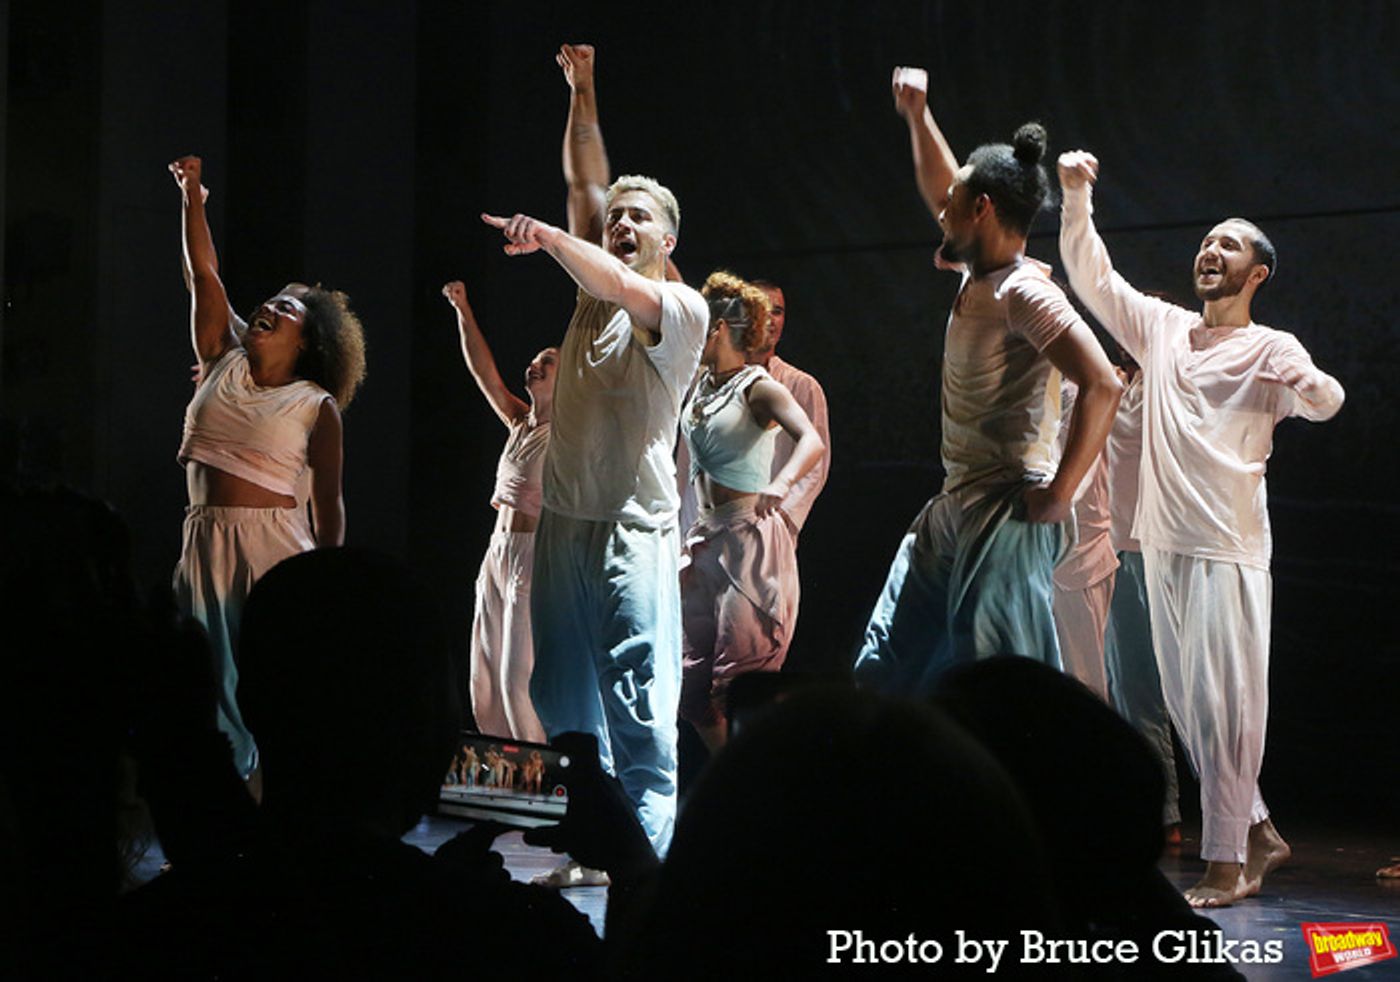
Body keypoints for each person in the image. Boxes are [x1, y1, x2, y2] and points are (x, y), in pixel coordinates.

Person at [1058, 149, 1345, 906]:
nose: (1210, 251)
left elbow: (1327, 401)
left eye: (1230, 245)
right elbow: (1093, 278)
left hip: (1227, 545)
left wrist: (1310, 386)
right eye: (1207, 241)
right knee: (1189, 706)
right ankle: (1258, 830)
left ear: (1258, 273)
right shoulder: (1163, 329)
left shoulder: (1270, 346)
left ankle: (1226, 861)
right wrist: (1077, 197)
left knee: (1227, 703)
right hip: (1161, 544)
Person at [480, 47, 709, 864]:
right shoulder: (591, 289)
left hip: (632, 531)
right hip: (567, 528)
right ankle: (591, 856)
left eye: (638, 217)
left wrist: (547, 235)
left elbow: (618, 280)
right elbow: (586, 184)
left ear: (668, 237)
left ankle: (645, 874)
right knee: (566, 709)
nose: (620, 224)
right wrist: (582, 90)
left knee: (640, 712)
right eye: (616, 220)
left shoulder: (680, 307)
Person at [852, 68, 1121, 694]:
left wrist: (1059, 495)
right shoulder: (980, 273)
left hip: (1005, 509)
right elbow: (942, 185)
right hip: (957, 504)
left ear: (983, 209)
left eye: (954, 203)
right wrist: (918, 116)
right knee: (884, 671)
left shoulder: (1024, 291)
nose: (940, 210)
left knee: (997, 689)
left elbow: (1103, 384)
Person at [168, 155, 365, 781]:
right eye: (270, 301)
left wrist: (329, 582)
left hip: (270, 547)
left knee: (269, 688)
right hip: (203, 539)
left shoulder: (315, 404)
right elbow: (204, 273)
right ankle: (220, 817)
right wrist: (192, 195)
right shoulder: (219, 357)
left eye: (288, 310)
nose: (271, 308)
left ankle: (277, 812)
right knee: (202, 692)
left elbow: (329, 504)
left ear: (306, 342)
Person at [679, 272, 824, 750]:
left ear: (719, 329)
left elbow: (811, 441)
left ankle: (759, 778)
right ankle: (733, 775)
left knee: (737, 684)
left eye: (701, 326)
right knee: (692, 688)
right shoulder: (702, 384)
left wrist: (781, 485)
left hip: (747, 541)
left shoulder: (758, 386)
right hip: (704, 538)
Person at [442, 280, 554, 742]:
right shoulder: (519, 422)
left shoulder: (570, 433)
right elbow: (484, 374)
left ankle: (539, 773)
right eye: (535, 359)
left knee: (516, 682)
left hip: (533, 555)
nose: (535, 364)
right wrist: (463, 310)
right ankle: (501, 776)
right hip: (497, 552)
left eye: (548, 362)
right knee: (483, 686)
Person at [1103, 349, 1183, 844]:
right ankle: (1160, 810)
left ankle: (1215, 813)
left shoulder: (1163, 386)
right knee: (1129, 686)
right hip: (1115, 548)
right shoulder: (1118, 382)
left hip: (1152, 552)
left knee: (1160, 688)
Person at [746, 280, 832, 537]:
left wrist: (781, 518)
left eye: (777, 311)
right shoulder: (712, 381)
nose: (770, 319)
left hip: (768, 525)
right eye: (762, 309)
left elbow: (815, 463)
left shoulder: (801, 386)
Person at [1050, 380, 1118, 699]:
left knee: (1082, 681)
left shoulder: (1078, 394)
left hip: (1079, 558)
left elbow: (1076, 481)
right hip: (1060, 556)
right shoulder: (1054, 393)